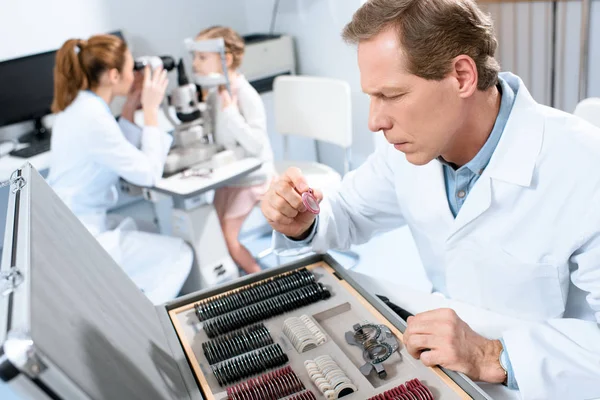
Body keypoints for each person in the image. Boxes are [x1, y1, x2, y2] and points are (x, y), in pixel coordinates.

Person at [260, 0, 600, 399]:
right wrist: (305, 222)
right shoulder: (408, 148)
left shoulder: (584, 166)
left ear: (461, 76)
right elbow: (348, 211)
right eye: (372, 96)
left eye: (392, 94)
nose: (375, 121)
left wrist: (496, 355)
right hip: (446, 371)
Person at [47, 34, 193, 304]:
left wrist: (130, 106)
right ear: (113, 75)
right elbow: (148, 174)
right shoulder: (92, 117)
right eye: (130, 68)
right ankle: (150, 326)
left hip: (71, 226)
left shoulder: (81, 107)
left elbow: (116, 150)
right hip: (82, 235)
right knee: (180, 254)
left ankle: (132, 304)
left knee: (151, 229)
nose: (134, 73)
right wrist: (150, 109)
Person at [192, 26, 275, 275]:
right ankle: (235, 279)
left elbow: (257, 144)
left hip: (252, 178)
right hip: (230, 177)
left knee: (228, 239)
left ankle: (260, 279)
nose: (195, 63)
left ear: (225, 59)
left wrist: (230, 112)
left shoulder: (245, 95)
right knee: (213, 235)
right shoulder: (217, 93)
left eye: (202, 57)